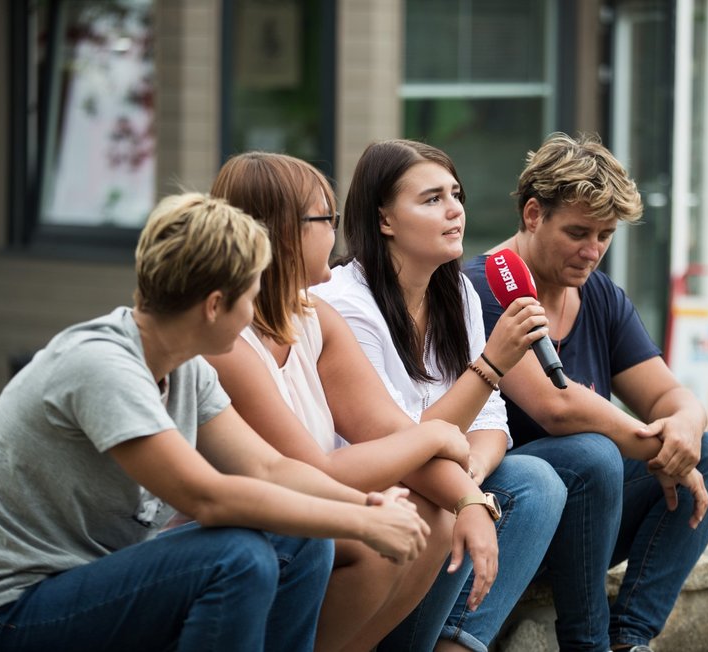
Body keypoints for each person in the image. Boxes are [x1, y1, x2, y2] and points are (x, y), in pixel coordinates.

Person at [0, 193, 429, 652]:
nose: (256, 311)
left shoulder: (185, 366)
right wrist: (363, 522)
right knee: (236, 558)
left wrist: (368, 505)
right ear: (215, 304)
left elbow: (268, 469)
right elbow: (208, 498)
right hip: (0, 618)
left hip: (87, 585)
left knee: (304, 540)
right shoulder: (102, 367)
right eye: (252, 294)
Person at [206, 152, 509, 652]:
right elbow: (311, 473)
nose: (338, 233)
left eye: (456, 196)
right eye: (327, 219)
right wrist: (435, 433)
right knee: (385, 531)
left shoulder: (314, 316)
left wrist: (469, 499)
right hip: (241, 529)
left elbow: (388, 430)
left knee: (436, 518)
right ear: (283, 232)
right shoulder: (229, 342)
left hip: (302, 514)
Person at [462, 132, 708, 652]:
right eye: (577, 232)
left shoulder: (599, 295)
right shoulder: (480, 288)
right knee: (591, 452)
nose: (592, 252)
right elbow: (556, 406)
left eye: (606, 235)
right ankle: (586, 644)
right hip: (513, 514)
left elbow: (671, 397)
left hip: (590, 522)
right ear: (531, 215)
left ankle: (628, 641)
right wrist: (666, 449)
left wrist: (685, 427)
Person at [314, 139, 567, 652]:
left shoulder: (457, 291)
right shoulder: (344, 304)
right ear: (384, 220)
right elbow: (402, 441)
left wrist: (465, 479)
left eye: (457, 194)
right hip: (365, 486)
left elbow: (492, 418)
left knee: (540, 481)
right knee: (440, 504)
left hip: (439, 474)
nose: (455, 210)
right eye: (431, 199)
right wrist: (493, 364)